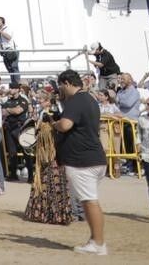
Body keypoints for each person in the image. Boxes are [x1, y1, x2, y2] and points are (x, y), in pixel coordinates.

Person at [54, 68, 109, 256]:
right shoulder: (90, 99)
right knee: (89, 201)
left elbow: (65, 125)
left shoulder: (76, 100)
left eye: (61, 86)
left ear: (68, 83)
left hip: (83, 161)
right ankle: (96, 240)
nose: (60, 90)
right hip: (93, 157)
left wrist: (54, 124)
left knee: (90, 201)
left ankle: (98, 243)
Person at [22, 119, 73, 225]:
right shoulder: (51, 135)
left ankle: (44, 214)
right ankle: (58, 214)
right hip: (55, 164)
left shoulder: (46, 134)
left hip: (50, 165)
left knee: (46, 186)